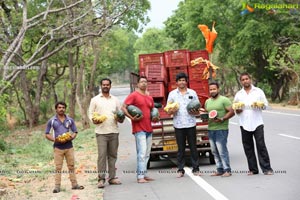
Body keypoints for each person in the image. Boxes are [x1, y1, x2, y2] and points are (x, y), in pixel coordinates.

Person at [234, 72, 273, 175]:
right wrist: (237, 110)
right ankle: (253, 169)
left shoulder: (258, 91)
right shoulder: (239, 94)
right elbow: (235, 108)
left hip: (257, 123)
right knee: (248, 147)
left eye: (247, 79)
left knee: (261, 145)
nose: (245, 81)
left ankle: (267, 168)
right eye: (243, 79)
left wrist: (259, 106)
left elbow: (265, 105)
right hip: (244, 124)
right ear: (241, 81)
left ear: (250, 79)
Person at [88, 78, 124, 188]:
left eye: (107, 85)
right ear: (101, 86)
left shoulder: (115, 100)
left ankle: (112, 178)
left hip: (114, 131)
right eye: (103, 84)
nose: (105, 86)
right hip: (101, 132)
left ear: (110, 86)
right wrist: (94, 120)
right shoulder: (95, 100)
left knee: (113, 156)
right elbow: (91, 114)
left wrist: (120, 118)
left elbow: (120, 115)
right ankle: (101, 179)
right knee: (102, 156)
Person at [122, 76, 158, 183]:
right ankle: (140, 177)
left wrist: (155, 117)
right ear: (137, 84)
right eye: (141, 82)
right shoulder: (134, 95)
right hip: (139, 129)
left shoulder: (149, 97)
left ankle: (144, 174)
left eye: (145, 82)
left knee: (147, 153)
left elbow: (152, 112)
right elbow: (123, 107)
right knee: (141, 153)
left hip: (148, 128)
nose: (144, 83)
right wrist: (131, 117)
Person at [166, 72, 201, 177]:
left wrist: (195, 111)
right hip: (178, 124)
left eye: (183, 80)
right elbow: (168, 110)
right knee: (180, 148)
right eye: (180, 80)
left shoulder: (192, 93)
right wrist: (172, 110)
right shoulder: (172, 94)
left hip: (190, 123)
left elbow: (197, 108)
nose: (182, 82)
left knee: (193, 147)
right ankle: (180, 170)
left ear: (186, 82)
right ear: (176, 82)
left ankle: (196, 169)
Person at [45, 101, 84, 193]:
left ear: (65, 109)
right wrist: (55, 139)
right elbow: (47, 134)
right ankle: (57, 186)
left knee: (71, 166)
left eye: (63, 107)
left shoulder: (70, 120)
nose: (61, 109)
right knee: (58, 167)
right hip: (58, 147)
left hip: (69, 146)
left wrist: (72, 137)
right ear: (56, 109)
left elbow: (75, 131)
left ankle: (74, 184)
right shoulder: (52, 121)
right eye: (59, 107)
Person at [204, 82, 235, 177]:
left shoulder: (224, 100)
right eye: (210, 89)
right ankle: (219, 169)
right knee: (214, 151)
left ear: (218, 89)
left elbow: (232, 112)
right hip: (211, 128)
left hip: (221, 128)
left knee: (222, 150)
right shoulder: (207, 102)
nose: (212, 91)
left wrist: (223, 118)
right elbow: (207, 114)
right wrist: (204, 117)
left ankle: (227, 170)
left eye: (214, 89)